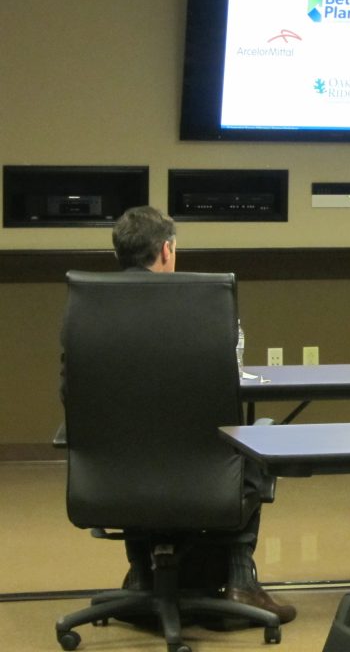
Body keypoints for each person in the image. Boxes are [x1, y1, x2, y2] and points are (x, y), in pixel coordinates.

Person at [69, 206, 296, 624]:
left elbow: (73, 395)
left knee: (139, 447)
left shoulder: (86, 305)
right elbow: (230, 384)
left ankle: (141, 575)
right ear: (166, 250)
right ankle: (240, 579)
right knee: (257, 438)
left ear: (119, 253)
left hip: (109, 482)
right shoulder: (206, 305)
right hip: (202, 482)